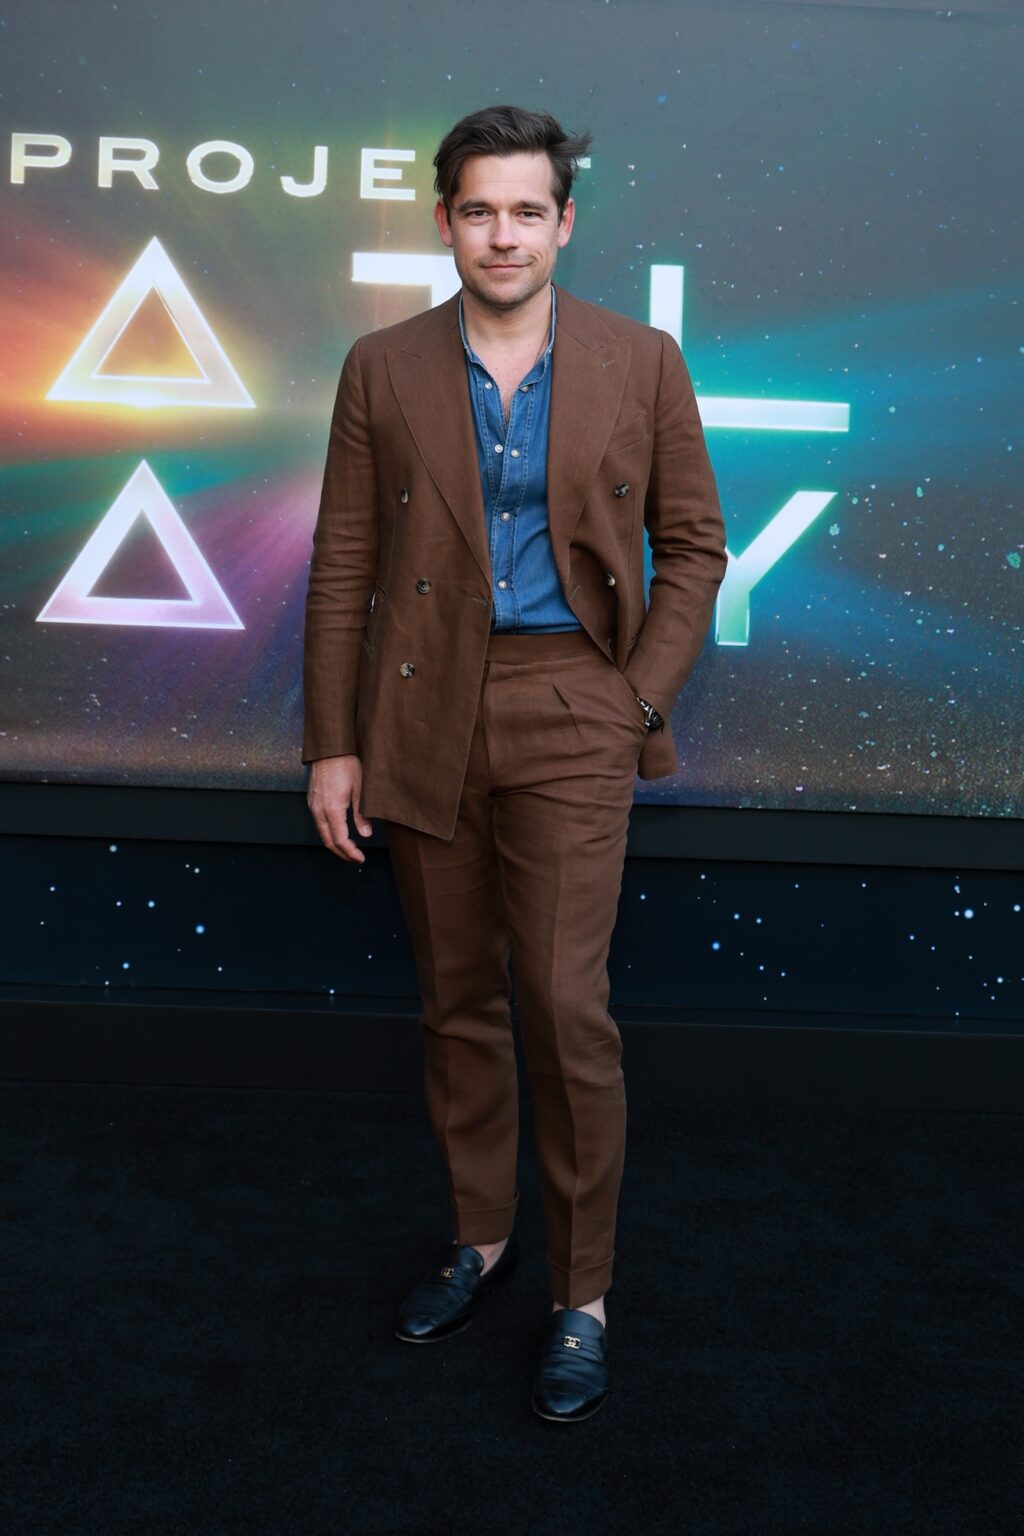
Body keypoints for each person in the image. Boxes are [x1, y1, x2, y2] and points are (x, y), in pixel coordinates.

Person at [302, 105, 727, 1422]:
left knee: (562, 1003)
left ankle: (582, 1299)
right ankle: (481, 1242)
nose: (502, 232)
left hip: (572, 705)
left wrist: (631, 698)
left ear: (564, 223)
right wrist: (333, 744)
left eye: (526, 210)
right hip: (421, 707)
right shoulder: (381, 366)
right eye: (478, 209)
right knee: (456, 1001)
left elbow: (694, 547)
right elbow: (344, 570)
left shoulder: (639, 360)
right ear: (445, 221)